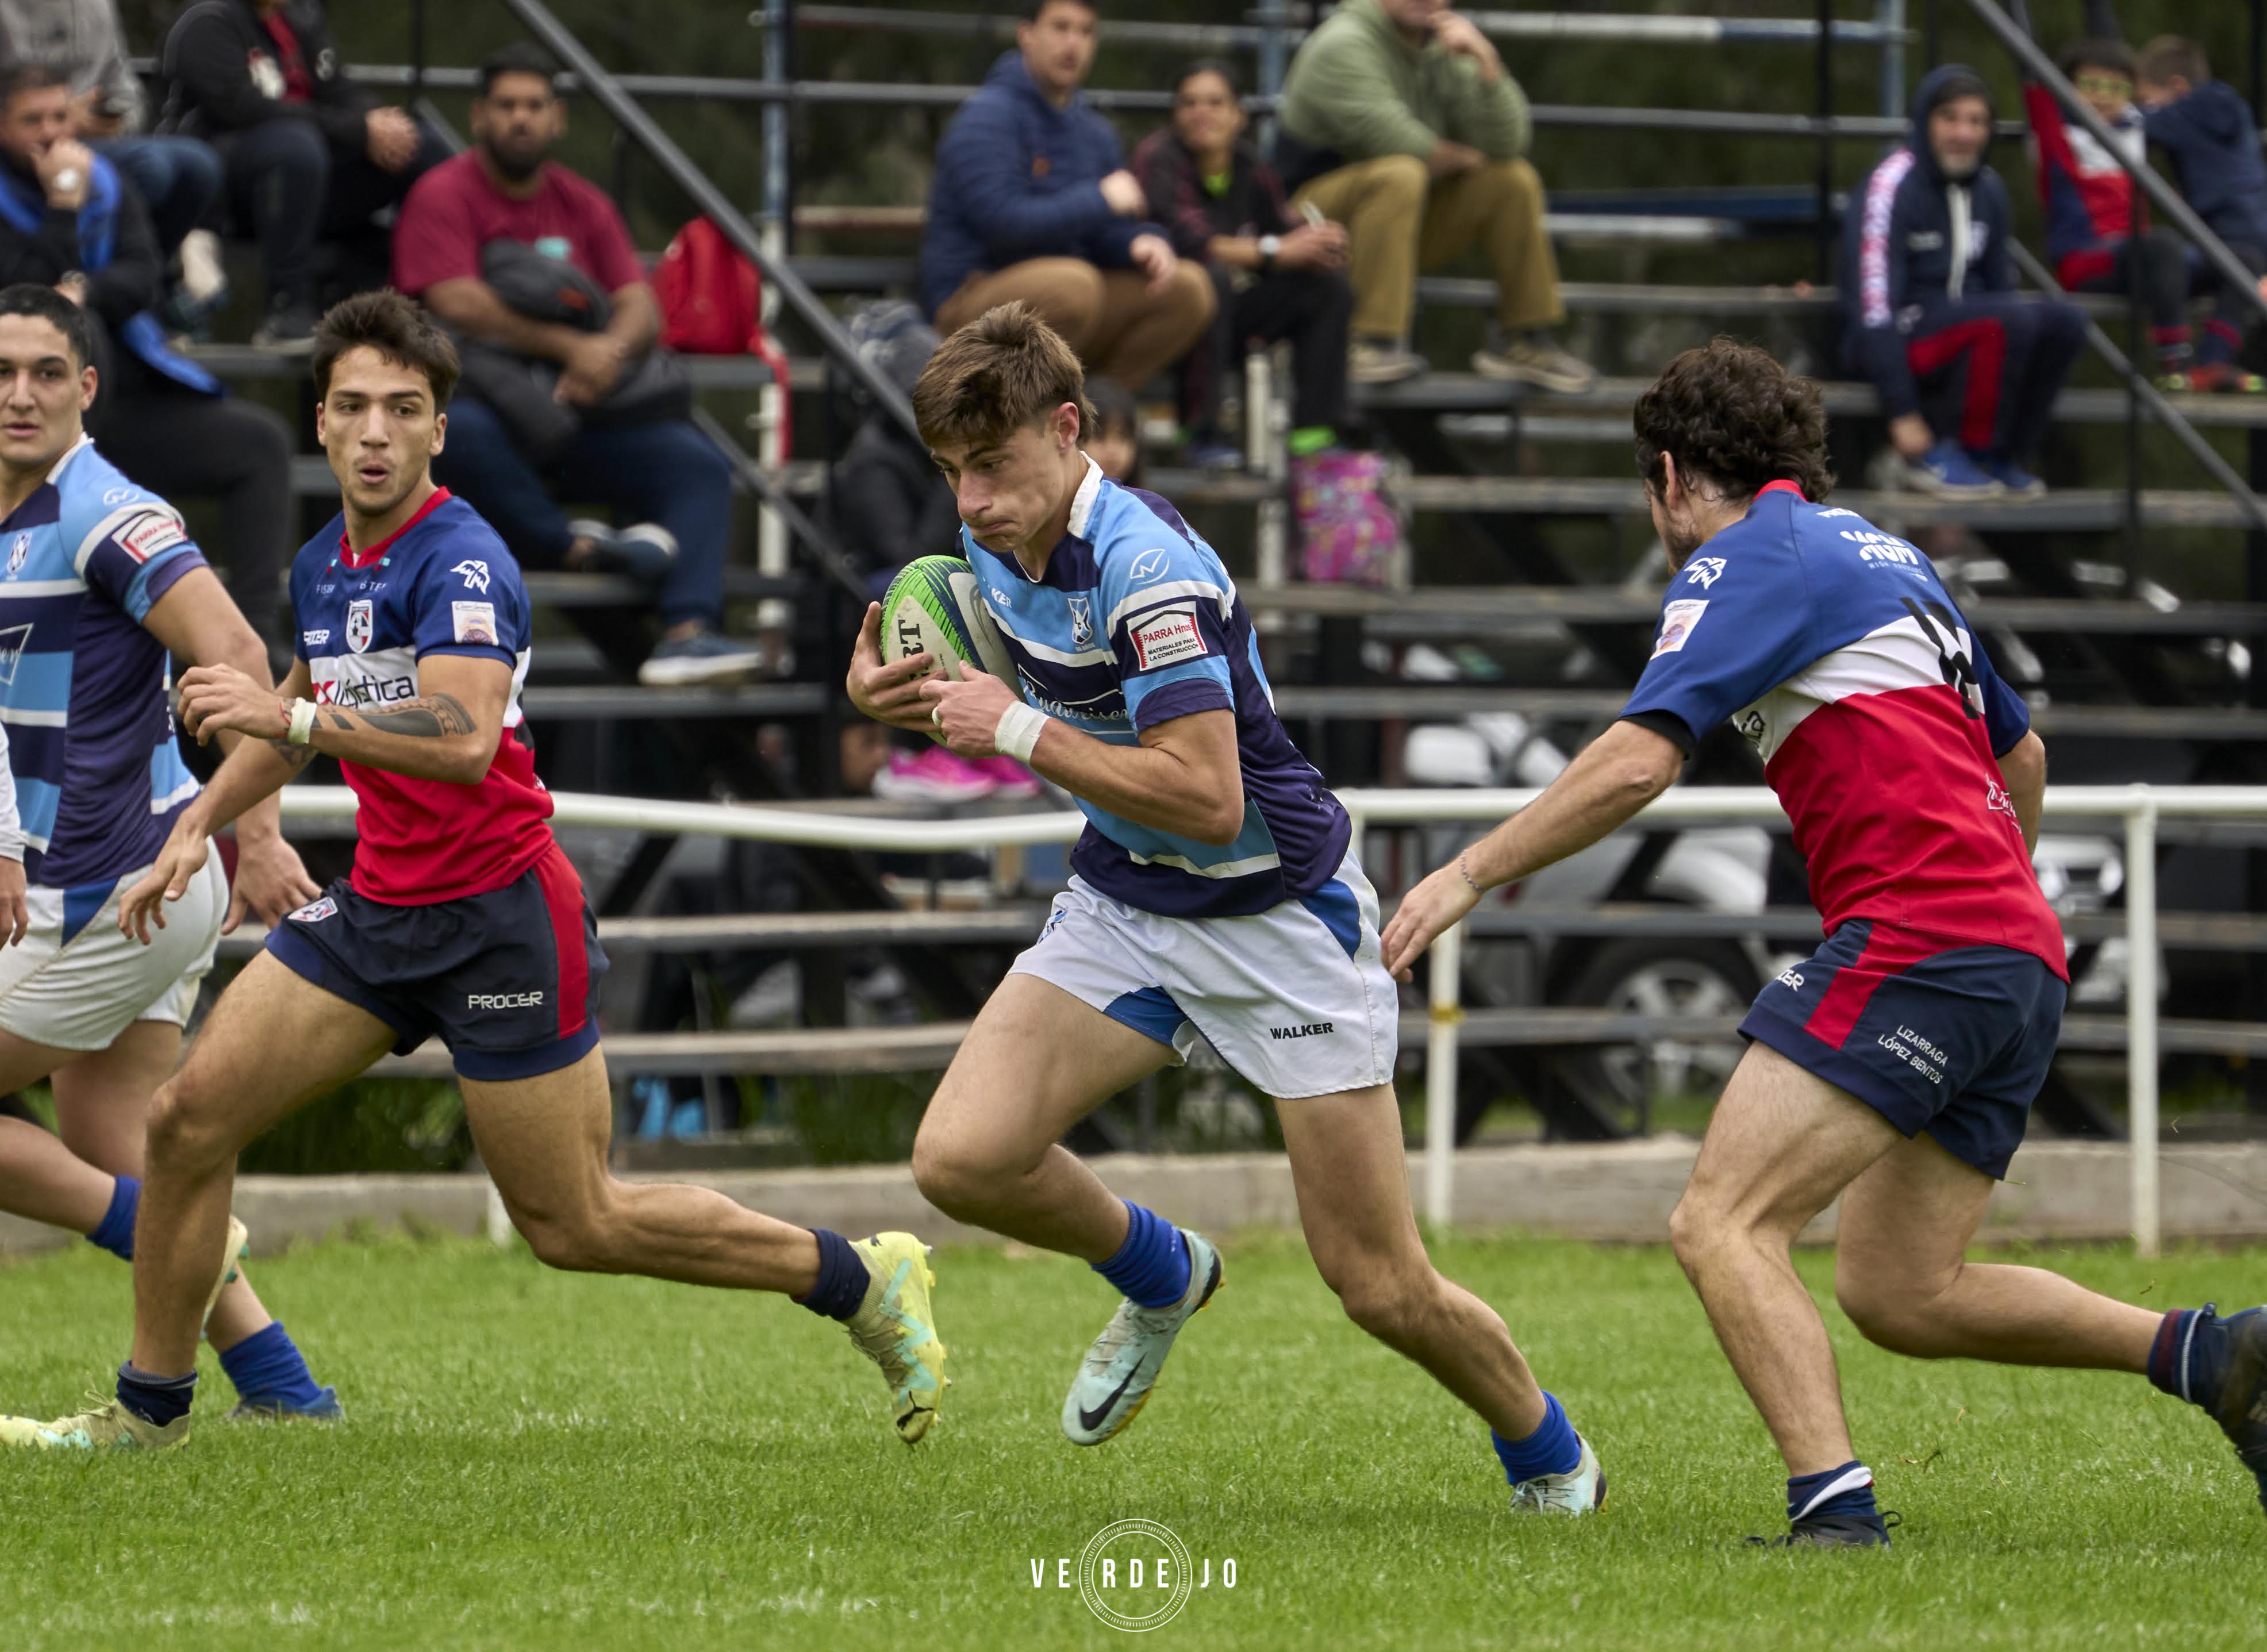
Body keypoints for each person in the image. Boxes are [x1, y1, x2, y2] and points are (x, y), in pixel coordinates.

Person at [0, 291, 947, 1453]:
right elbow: (295, 708)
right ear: (319, 422)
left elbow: (457, 736)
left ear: (439, 429)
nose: (375, 432)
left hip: (500, 916)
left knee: (574, 1221)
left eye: (404, 409)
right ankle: (150, 1415)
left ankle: (859, 1278)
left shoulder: (461, 559)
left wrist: (294, 720)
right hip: (378, 912)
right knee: (188, 1124)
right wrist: (203, 822)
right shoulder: (325, 561)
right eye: (352, 407)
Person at [1380, 337, 2267, 1546]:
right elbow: (2021, 755)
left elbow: (1637, 760)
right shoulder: (1885, 554)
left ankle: (1834, 1512)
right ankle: (2210, 1354)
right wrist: (1997, 899)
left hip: (1924, 937)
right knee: (1901, 1288)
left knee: (1719, 1221)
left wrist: (1465, 872)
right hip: (2014, 953)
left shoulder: (1747, 556)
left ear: (1669, 474)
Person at [846, 301, 1603, 1512]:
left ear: (1068, 428)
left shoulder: (1147, 569)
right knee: (963, 1157)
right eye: (949, 473)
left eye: (990, 464)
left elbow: (1208, 800)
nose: (970, 500)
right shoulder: (986, 544)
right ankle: (1161, 1272)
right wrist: (880, 684)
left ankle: (1550, 1453)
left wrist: (1016, 727)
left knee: (1375, 1282)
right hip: (1129, 900)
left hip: (1276, 917)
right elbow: (932, 648)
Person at [0, 281, 337, 1422]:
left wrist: (256, 828)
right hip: (110, 892)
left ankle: (149, 1236)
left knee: (122, 1181)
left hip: (112, 889)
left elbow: (235, 655)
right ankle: (285, 1387)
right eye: (2, 373)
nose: (21, 395)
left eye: (47, 373)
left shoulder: (104, 510)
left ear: (88, 388)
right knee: (117, 1142)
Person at [395, 44, 763, 688]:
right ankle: (577, 548)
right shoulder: (443, 193)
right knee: (453, 434)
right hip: (494, 418)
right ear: (479, 115)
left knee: (697, 462)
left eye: (535, 105)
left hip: (578, 417)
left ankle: (688, 632)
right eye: (506, 105)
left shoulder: (582, 202)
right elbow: (455, 301)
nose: (521, 118)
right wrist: (570, 347)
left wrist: (607, 353)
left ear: (557, 117)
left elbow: (640, 305)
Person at [0, 62, 297, 655]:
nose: (52, 134)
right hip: (29, 430)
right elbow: (28, 303)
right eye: (33, 120)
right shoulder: (52, 191)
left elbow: (142, 276)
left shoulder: (106, 183)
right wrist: (63, 205)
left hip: (124, 409)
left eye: (60, 117)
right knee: (77, 331)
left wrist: (83, 289)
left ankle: (254, 644)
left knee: (260, 444)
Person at [1275, 0, 1593, 391]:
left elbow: (1508, 143)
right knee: (1401, 173)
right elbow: (1397, 141)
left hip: (1392, 230)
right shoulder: (1342, 42)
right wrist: (1464, 158)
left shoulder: (1446, 47)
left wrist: (1488, 63)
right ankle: (1367, 341)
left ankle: (1525, 338)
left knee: (1512, 179)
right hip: (1303, 228)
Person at [919, 0, 1215, 393]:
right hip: (973, 299)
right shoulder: (986, 118)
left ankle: (1092, 415)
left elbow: (1105, 229)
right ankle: (1020, 420)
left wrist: (1139, 242)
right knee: (1074, 287)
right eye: (1061, 27)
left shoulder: (1094, 131)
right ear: (1026, 34)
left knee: (1188, 289)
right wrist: (1099, 200)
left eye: (1085, 31)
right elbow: (1003, 225)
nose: (1074, 43)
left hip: (1069, 297)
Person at [1842, 66, 2087, 498]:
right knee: (2004, 320)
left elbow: (2000, 288)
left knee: (2066, 322)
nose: (1964, 133)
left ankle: (2008, 456)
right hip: (1899, 339)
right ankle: (1955, 454)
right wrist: (1902, 412)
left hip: (1968, 330)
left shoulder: (1990, 189)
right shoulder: (1892, 186)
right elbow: (1874, 308)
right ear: (1925, 121)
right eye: (1950, 119)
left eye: (1976, 121)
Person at [156, 0, 446, 347]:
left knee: (420, 146)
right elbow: (245, 108)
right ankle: (286, 310)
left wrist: (380, 125)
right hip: (221, 188)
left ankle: (436, 300)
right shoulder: (206, 21)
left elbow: (341, 91)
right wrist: (357, 129)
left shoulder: (298, 20)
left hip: (307, 178)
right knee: (295, 145)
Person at [1131, 60, 1352, 469]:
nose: (1201, 112)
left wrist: (1316, 243)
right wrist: (1277, 249)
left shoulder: (1249, 166)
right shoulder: (1158, 158)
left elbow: (1281, 229)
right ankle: (1200, 432)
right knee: (1209, 279)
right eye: (1189, 103)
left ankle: (1314, 434)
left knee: (1326, 286)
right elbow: (1191, 243)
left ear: (1239, 115)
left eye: (1215, 103)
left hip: (1227, 320)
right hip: (1163, 316)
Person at [0, 0, 225, 271]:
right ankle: (99, 268)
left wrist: (116, 120)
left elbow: (126, 88)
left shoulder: (98, 5)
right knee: (151, 166)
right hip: (20, 145)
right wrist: (61, 118)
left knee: (200, 164)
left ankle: (147, 271)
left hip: (96, 140)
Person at [2136, 34, 2267, 363]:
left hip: (2229, 236)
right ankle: (2215, 361)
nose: (2146, 106)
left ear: (2178, 87)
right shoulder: (2231, 106)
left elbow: (2132, 126)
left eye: (2148, 99)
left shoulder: (2187, 111)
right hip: (2256, 232)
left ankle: (2189, 360)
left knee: (2170, 269)